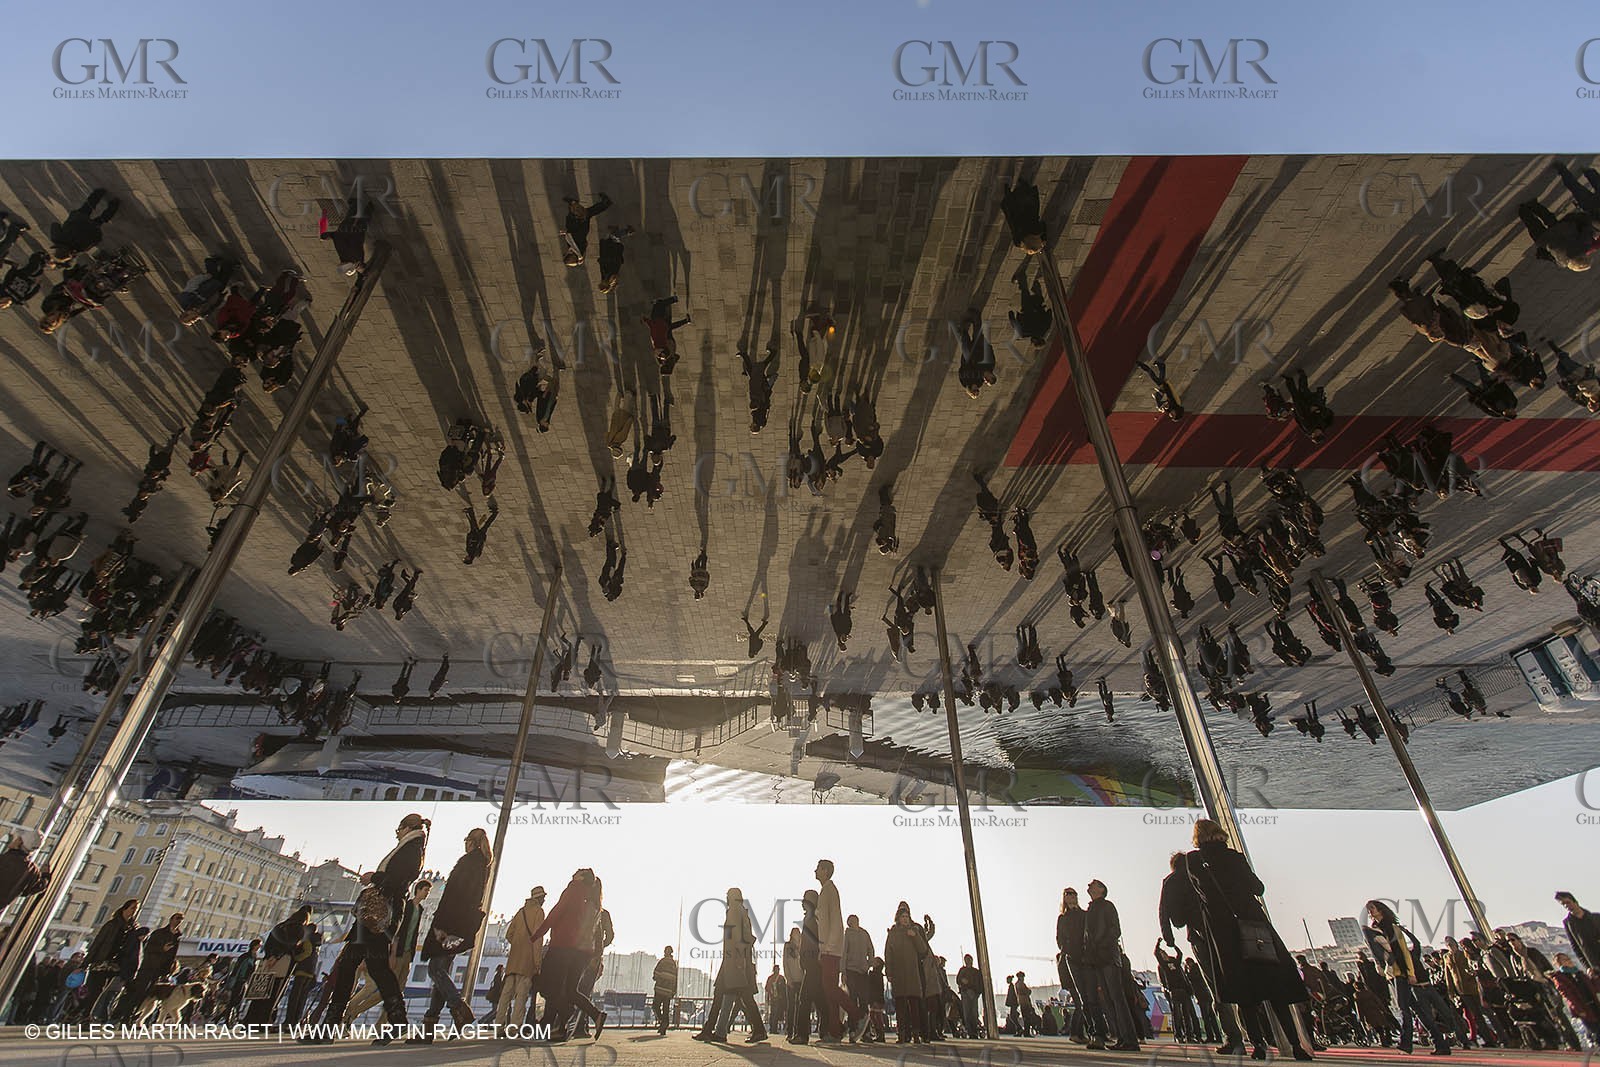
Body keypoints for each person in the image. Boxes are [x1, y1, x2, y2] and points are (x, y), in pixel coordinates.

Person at [1186, 819, 1312, 1060]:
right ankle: (1295, 1045)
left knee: (1244, 993)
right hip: (1253, 926)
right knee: (1275, 987)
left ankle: (1258, 1044)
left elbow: (1202, 893)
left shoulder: (1194, 861)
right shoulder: (1235, 857)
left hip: (1225, 934)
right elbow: (1257, 888)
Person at [308, 812, 428, 1044]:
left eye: (399, 829)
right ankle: (391, 1019)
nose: (397, 833)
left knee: (364, 966)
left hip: (381, 913)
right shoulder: (410, 847)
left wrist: (376, 877)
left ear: (407, 828)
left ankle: (332, 1026)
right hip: (378, 913)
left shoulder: (412, 849)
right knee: (362, 965)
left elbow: (399, 880)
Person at [1160, 851, 1245, 1052]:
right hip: (1225, 930)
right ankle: (1255, 1034)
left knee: (1216, 986)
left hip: (1198, 934)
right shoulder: (1205, 871)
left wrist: (1169, 938)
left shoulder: (1172, 881)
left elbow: (1164, 912)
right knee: (1236, 979)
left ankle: (1233, 1037)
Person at [416, 828, 492, 1039]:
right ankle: (429, 1026)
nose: (464, 843)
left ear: (472, 842)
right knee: (441, 971)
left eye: (466, 840)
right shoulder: (481, 864)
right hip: (460, 924)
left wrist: (443, 927)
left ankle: (459, 1008)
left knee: (435, 970)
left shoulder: (469, 863)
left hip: (450, 924)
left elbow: (457, 896)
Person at [1365, 900, 1449, 1056]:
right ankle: (1440, 1042)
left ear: (1381, 910)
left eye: (1372, 908)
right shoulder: (1374, 931)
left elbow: (1404, 951)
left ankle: (1406, 1043)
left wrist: (1411, 973)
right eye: (1368, 910)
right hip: (1392, 973)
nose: (1370, 912)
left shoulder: (1392, 928)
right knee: (1417, 1010)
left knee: (1404, 1008)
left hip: (1401, 973)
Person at [532, 868, 606, 1042]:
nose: (573, 874)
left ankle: (562, 1019)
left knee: (550, 986)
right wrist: (595, 955)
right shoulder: (596, 906)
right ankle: (594, 1015)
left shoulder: (575, 891)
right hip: (583, 954)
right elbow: (598, 935)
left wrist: (537, 934)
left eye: (577, 872)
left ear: (581, 878)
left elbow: (557, 913)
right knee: (570, 990)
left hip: (565, 947)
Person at [1082, 880, 1141, 1050]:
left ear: (1101, 889)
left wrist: (1102, 944)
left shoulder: (1107, 906)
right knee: (1109, 1000)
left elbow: (1115, 930)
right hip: (1098, 959)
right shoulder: (1091, 909)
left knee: (1117, 998)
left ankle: (1130, 1039)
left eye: (1093, 884)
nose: (1089, 885)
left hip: (1108, 957)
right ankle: (1122, 1037)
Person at [706, 888, 767, 1043]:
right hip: (734, 960)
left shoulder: (733, 910)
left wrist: (739, 958)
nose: (726, 898)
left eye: (727, 895)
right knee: (729, 994)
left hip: (733, 961)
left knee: (737, 995)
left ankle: (713, 1031)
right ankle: (718, 1031)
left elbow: (737, 936)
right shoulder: (742, 911)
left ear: (732, 897)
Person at [815, 858, 866, 1041]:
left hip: (831, 949)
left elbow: (836, 920)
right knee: (829, 990)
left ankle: (858, 1015)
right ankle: (835, 1031)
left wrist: (828, 946)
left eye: (818, 869)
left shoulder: (830, 890)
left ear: (826, 871)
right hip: (827, 949)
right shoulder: (825, 891)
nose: (815, 871)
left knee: (829, 988)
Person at [118, 912, 182, 1023]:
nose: (178, 921)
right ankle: (126, 1016)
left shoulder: (177, 936)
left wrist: (168, 970)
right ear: (171, 919)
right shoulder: (159, 933)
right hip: (148, 967)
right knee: (138, 992)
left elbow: (172, 956)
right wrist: (162, 949)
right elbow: (148, 949)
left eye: (181, 920)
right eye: (177, 918)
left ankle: (133, 1017)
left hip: (160, 970)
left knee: (147, 995)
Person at [498, 885, 546, 1030]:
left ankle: (499, 1026)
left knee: (505, 995)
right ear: (540, 898)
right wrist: (537, 963)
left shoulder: (521, 912)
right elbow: (537, 940)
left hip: (513, 960)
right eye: (543, 897)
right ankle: (514, 1027)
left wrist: (518, 945)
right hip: (527, 961)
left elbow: (509, 934)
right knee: (521, 995)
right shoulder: (539, 912)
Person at [82, 899, 138, 1021]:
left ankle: (89, 1014)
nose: (134, 911)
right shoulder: (112, 925)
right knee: (95, 989)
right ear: (125, 908)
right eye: (132, 908)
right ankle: (85, 1014)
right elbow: (98, 943)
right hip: (101, 961)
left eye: (136, 909)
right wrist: (85, 963)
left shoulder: (132, 928)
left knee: (103, 990)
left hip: (116, 964)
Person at [884, 902, 929, 1043]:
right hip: (898, 974)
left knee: (914, 1005)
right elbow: (888, 953)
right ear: (897, 918)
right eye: (902, 916)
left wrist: (915, 936)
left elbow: (923, 950)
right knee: (900, 1006)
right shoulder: (893, 933)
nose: (905, 919)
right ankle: (902, 1034)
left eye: (907, 916)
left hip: (912, 973)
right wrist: (889, 971)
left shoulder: (914, 930)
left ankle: (916, 1034)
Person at [0, 829, 51, 912]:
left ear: (19, 843)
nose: (14, 840)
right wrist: (45, 876)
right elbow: (37, 888)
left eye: (17, 838)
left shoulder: (4, 859)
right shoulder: (32, 871)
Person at [843, 914, 874, 1033]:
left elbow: (870, 949)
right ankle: (852, 1028)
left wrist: (869, 963)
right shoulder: (847, 935)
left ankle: (865, 1030)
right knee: (852, 999)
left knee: (864, 1000)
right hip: (851, 970)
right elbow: (844, 952)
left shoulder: (864, 934)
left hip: (863, 971)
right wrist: (843, 971)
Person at [1558, 892, 1600, 971]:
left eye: (1568, 902)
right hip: (1594, 963)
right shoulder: (1568, 923)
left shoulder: (1596, 917)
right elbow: (1576, 947)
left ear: (1575, 902)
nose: (1566, 905)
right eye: (1563, 904)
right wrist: (1587, 967)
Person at [653, 946, 678, 1036]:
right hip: (668, 991)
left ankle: (662, 1021)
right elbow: (675, 979)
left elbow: (655, 974)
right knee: (666, 1009)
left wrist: (657, 978)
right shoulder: (674, 964)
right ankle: (664, 1025)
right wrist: (673, 991)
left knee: (655, 1006)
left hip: (660, 989)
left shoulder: (662, 962)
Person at [957, 953, 983, 1039]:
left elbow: (980, 983)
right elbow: (958, 980)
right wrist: (963, 982)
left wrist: (977, 993)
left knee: (974, 1014)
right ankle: (970, 1032)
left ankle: (974, 1032)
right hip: (966, 994)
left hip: (974, 994)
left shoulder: (976, 972)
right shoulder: (962, 970)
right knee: (967, 1014)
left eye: (969, 959)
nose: (968, 961)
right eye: (966, 960)